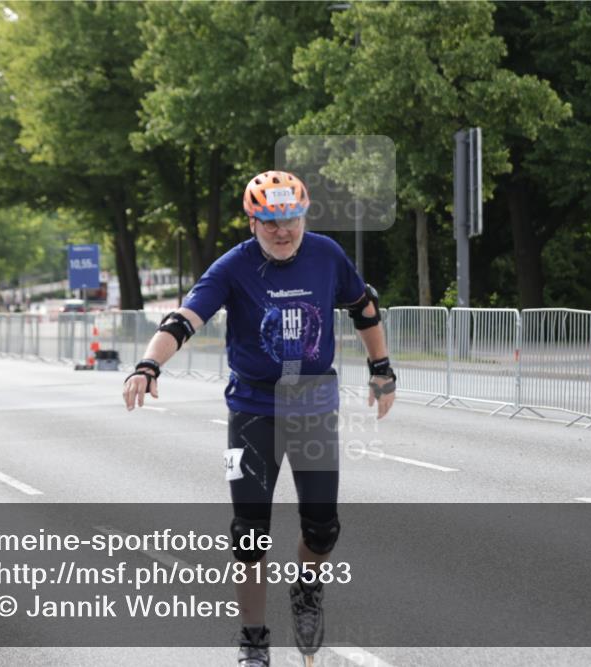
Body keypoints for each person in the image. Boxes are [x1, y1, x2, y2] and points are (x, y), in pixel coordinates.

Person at [123, 170, 396, 666]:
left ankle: (306, 589)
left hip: (314, 410)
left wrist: (381, 369)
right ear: (252, 222)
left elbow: (364, 306)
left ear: (303, 215)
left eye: (290, 219)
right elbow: (183, 320)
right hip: (252, 414)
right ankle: (253, 641)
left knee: (322, 529)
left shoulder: (326, 255)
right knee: (249, 535)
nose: (282, 231)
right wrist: (148, 364)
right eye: (269, 222)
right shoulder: (233, 267)